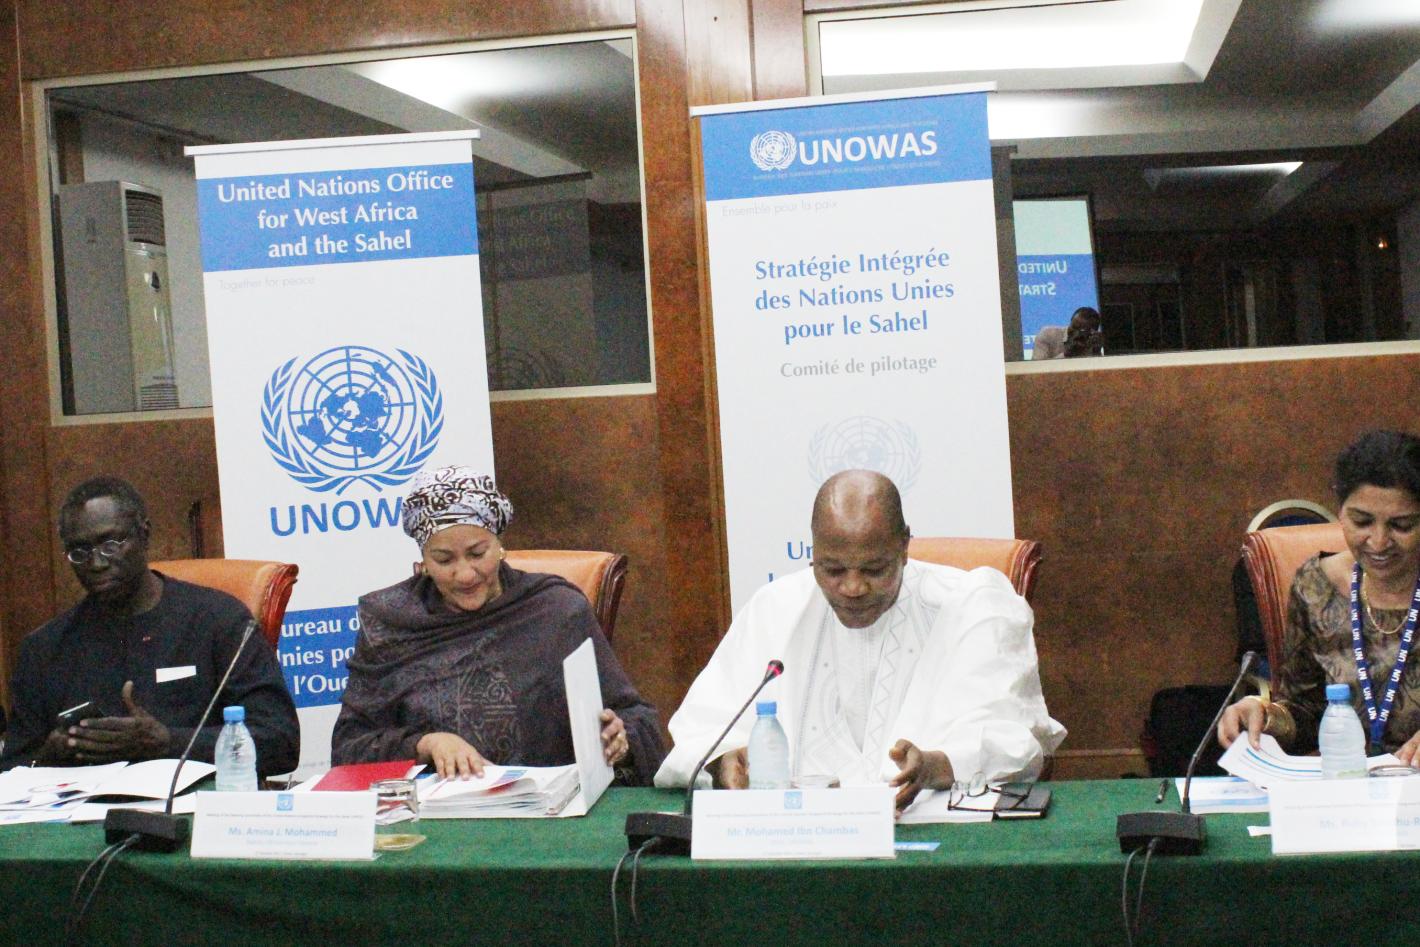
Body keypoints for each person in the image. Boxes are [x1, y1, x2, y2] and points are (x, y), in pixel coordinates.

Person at [654, 470, 1065, 812]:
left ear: (904, 546)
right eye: (832, 570)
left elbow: (1016, 739)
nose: (852, 588)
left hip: (928, 842)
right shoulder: (776, 609)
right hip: (792, 844)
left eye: (873, 569)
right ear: (814, 551)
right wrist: (723, 762)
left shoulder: (973, 605)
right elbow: (703, 730)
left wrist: (938, 765)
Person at [331, 466, 665, 783]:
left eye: (478, 554)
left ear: (500, 545)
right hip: (438, 812)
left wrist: (619, 739)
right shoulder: (391, 622)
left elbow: (636, 718)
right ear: (424, 562)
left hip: (553, 806)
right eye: (444, 560)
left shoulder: (555, 610)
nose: (465, 574)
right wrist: (427, 744)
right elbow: (349, 748)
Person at [0, 476, 299, 775]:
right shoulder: (44, 649)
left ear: (144, 535)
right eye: (80, 552)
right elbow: (12, 770)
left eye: (110, 545)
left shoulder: (219, 620)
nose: (97, 563)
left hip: (194, 799)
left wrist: (167, 742)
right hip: (85, 803)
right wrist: (51, 756)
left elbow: (281, 742)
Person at [1219, 430, 1420, 763]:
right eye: (1361, 521)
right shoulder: (1317, 587)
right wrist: (1264, 716)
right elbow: (1306, 710)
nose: (1379, 542)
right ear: (1340, 511)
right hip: (1349, 779)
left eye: (1401, 525)